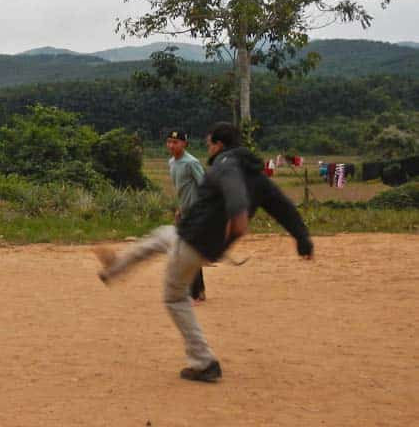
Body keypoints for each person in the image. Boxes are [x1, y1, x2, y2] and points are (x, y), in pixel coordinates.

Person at [94, 122, 314, 383]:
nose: (208, 148)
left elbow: (232, 185)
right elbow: (282, 206)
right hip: (194, 239)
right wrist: (303, 239)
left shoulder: (225, 164)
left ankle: (203, 361)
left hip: (193, 242)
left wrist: (238, 212)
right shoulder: (256, 176)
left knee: (175, 299)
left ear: (219, 145)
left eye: (210, 143)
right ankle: (116, 267)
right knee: (161, 236)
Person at [166, 130, 207, 303]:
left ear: (184, 144)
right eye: (169, 142)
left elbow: (205, 187)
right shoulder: (172, 163)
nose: (171, 145)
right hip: (184, 213)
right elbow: (180, 189)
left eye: (175, 142)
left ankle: (195, 292)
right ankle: (199, 291)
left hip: (195, 213)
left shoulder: (192, 163)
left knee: (188, 252)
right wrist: (179, 208)